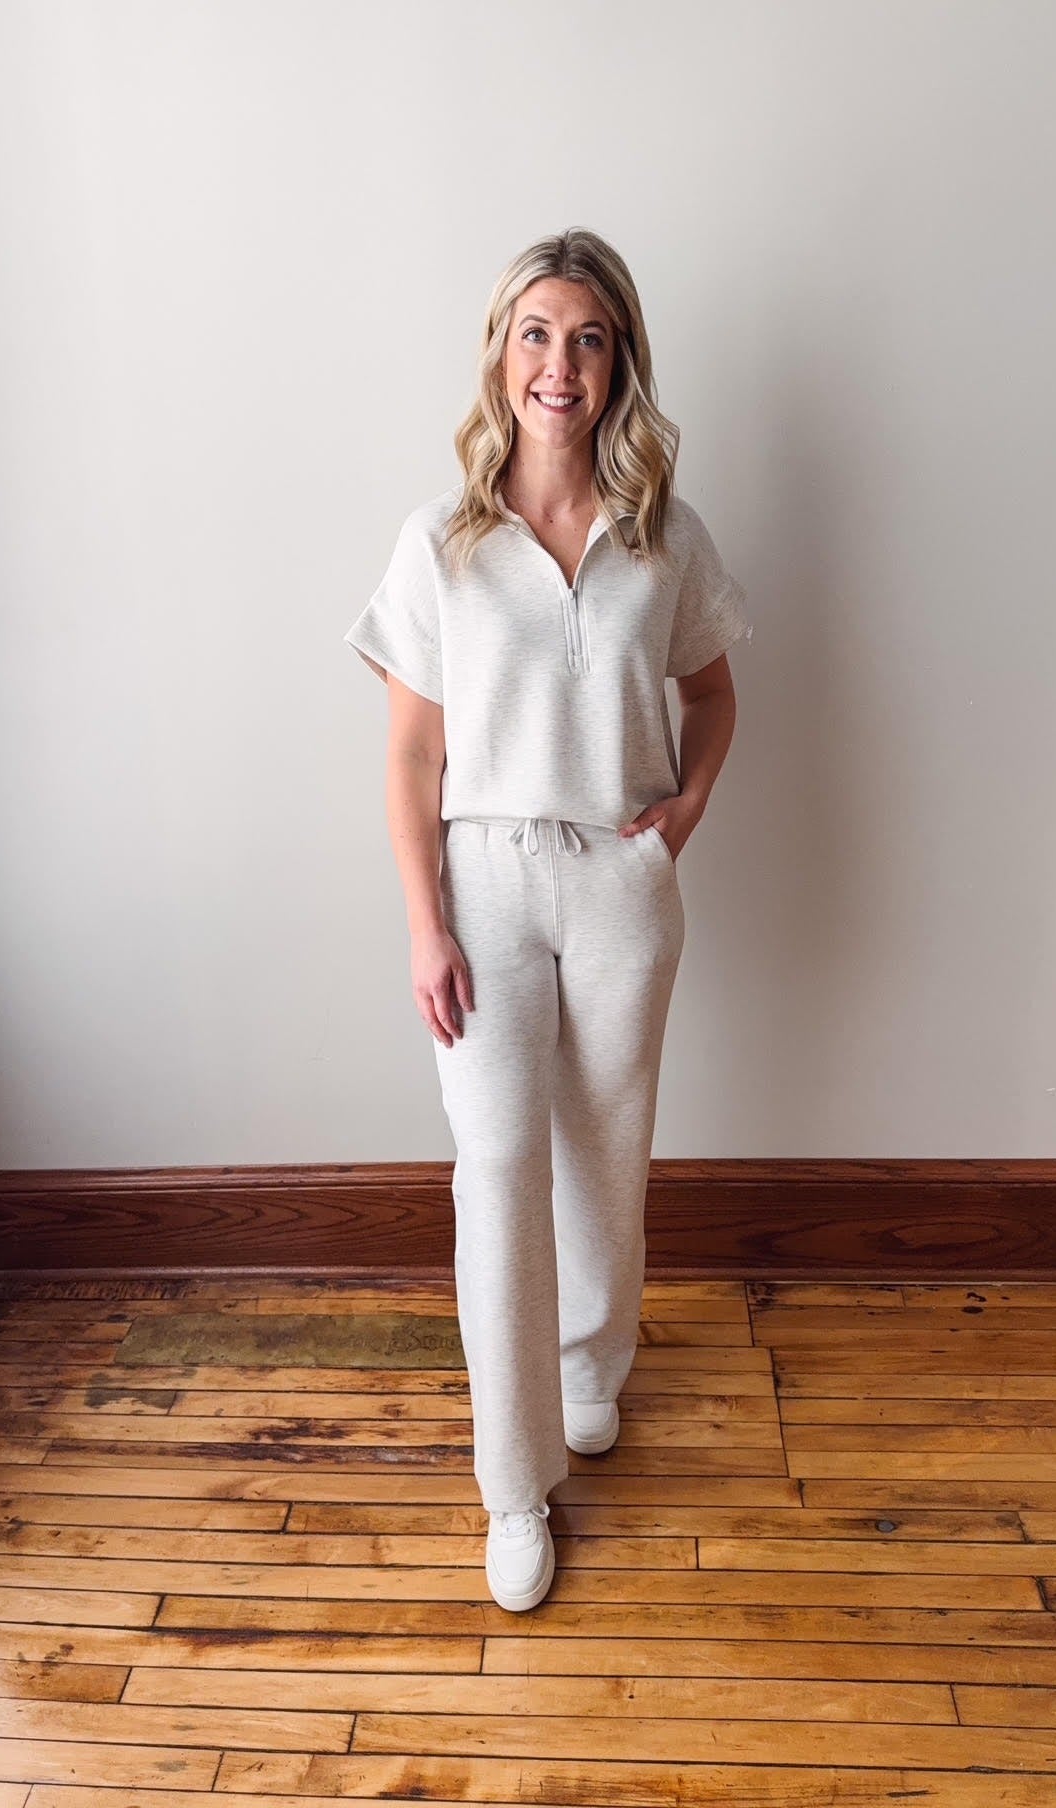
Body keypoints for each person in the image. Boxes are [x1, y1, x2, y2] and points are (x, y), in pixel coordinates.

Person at [343, 227, 752, 1612]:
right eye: (534, 334)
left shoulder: (664, 535)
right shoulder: (442, 542)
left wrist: (674, 827)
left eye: (585, 337)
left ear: (619, 356)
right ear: (500, 355)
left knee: (608, 1151)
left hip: (621, 878)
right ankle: (513, 1488)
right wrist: (424, 925)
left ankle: (590, 1367)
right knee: (498, 1164)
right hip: (487, 878)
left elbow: (714, 698)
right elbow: (409, 758)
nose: (557, 364)